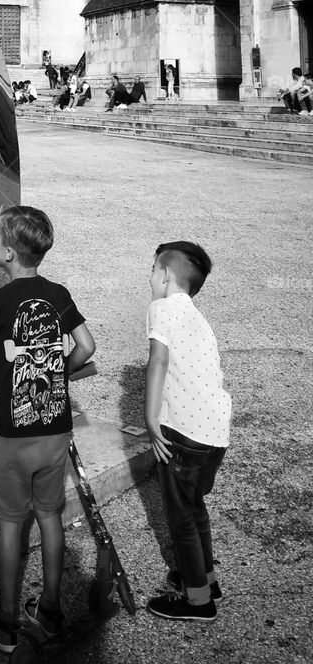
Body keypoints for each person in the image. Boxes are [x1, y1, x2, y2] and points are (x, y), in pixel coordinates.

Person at [0, 206, 96, 651]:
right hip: (55, 431)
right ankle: (49, 611)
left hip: (14, 436)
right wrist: (60, 369)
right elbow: (88, 346)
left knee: (10, 522)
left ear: (7, 252)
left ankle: (5, 623)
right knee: (49, 516)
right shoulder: (59, 293)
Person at [144, 241, 231, 624]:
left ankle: (198, 602)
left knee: (179, 517)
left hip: (182, 431)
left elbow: (158, 361)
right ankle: (206, 580)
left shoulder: (160, 308)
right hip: (214, 432)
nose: (150, 278)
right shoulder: (197, 317)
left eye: (152, 271)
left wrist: (150, 419)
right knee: (195, 507)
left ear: (164, 275)